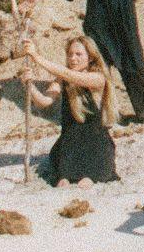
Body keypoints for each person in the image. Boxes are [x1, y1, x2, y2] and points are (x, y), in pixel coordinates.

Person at [21, 34, 119, 186]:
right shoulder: (62, 78)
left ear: (91, 57)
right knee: (63, 182)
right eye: (70, 54)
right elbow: (44, 101)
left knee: (86, 182)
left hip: (96, 144)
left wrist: (36, 57)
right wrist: (29, 85)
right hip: (69, 143)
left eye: (78, 54)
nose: (73, 59)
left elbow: (68, 74)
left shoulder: (98, 78)